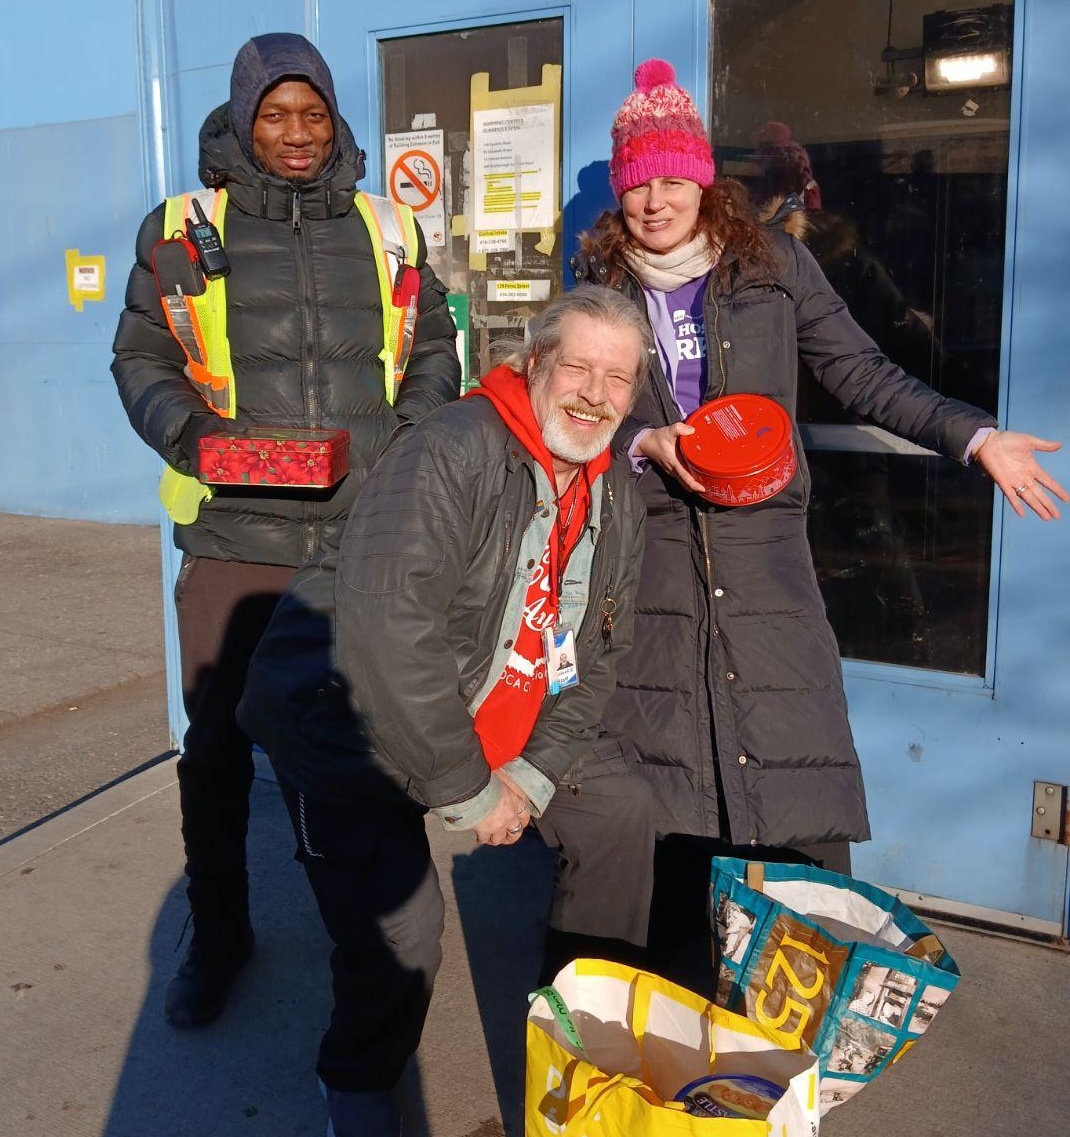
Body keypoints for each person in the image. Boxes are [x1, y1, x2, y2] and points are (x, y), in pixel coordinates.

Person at [570, 59, 1069, 975]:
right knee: (663, 812)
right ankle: (674, 1060)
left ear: (703, 178)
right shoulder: (596, 281)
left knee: (787, 809)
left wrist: (974, 436)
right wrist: (646, 445)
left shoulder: (773, 264)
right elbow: (571, 417)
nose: (654, 202)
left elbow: (863, 373)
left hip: (766, 568)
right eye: (638, 183)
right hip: (650, 564)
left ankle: (775, 1055)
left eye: (673, 178)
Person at [237, 285, 651, 1136]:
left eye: (619, 377)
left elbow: (599, 654)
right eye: (576, 365)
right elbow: (390, 641)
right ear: (534, 363)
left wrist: (530, 779)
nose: (594, 393)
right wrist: (473, 790)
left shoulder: (618, 497)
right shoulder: (454, 449)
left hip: (486, 717)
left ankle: (581, 1056)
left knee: (622, 814)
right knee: (402, 932)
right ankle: (354, 1080)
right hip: (346, 724)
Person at [111, 32, 459, 1030]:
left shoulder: (386, 225)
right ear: (243, 118)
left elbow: (434, 344)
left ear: (333, 118)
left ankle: (376, 936)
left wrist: (407, 438)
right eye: (275, 114)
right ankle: (219, 935)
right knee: (216, 754)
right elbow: (142, 357)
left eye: (311, 113)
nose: (296, 132)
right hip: (231, 541)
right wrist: (192, 438)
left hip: (364, 539)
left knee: (374, 740)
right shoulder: (182, 226)